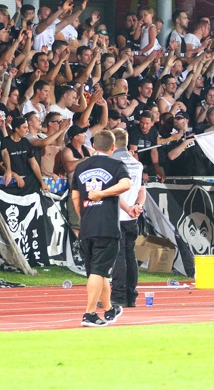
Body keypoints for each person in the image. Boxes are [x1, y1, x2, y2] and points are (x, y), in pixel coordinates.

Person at [70, 129, 132, 327]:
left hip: (87, 226)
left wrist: (84, 217)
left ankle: (108, 309)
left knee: (99, 271)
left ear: (93, 146)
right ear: (113, 147)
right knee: (99, 270)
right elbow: (126, 184)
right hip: (106, 226)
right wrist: (103, 194)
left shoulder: (81, 167)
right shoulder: (116, 165)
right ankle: (89, 314)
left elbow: (75, 197)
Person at [110, 128, 145, 308]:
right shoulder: (136, 163)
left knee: (119, 256)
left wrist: (128, 208)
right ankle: (131, 295)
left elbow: (115, 192)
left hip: (117, 215)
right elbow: (142, 189)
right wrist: (138, 206)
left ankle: (118, 296)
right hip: (132, 218)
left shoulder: (113, 163)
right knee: (130, 256)